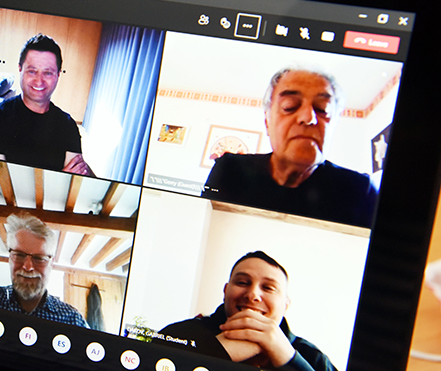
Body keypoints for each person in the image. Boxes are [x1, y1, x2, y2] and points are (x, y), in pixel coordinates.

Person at [202, 69, 377, 228]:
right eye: (289, 106)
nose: (308, 117)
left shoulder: (360, 191)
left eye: (323, 109)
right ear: (267, 122)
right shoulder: (230, 170)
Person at [157, 251, 337, 371]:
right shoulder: (179, 334)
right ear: (226, 291)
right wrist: (216, 351)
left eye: (268, 288)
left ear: (285, 304)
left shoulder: (314, 359)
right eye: (242, 283)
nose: (252, 295)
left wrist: (289, 360)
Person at [0, 34, 93, 176]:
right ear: (20, 69)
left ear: (58, 75)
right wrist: (57, 178)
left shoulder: (68, 125)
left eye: (48, 73)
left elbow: (73, 181)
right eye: (32, 71)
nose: (39, 81)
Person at [0, 214, 89, 327]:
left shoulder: (72, 319)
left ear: (51, 263)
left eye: (39, 258)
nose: (28, 267)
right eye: (19, 255)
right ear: (10, 258)